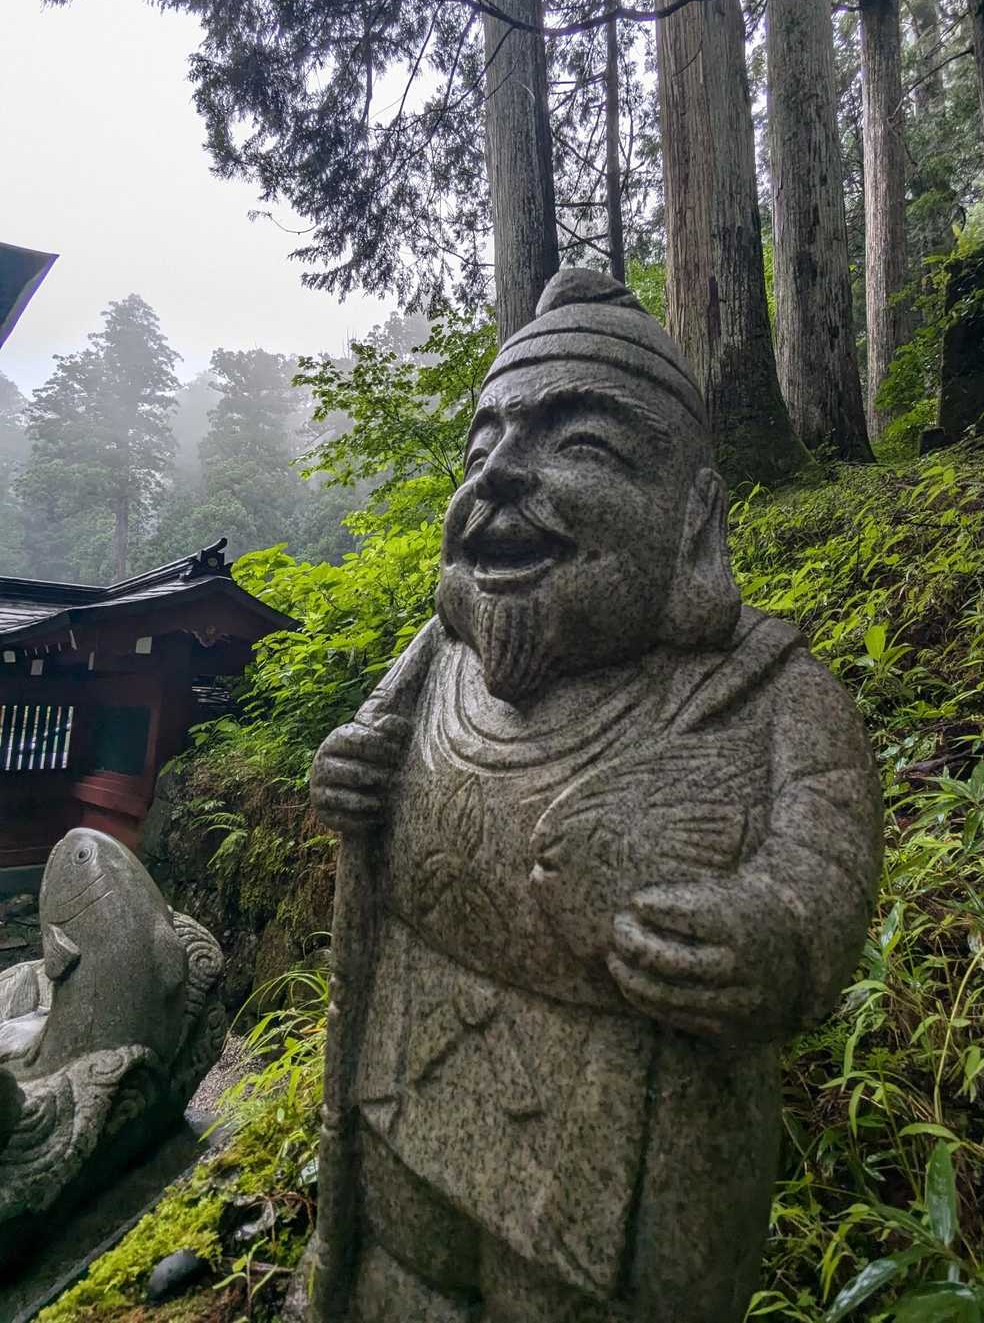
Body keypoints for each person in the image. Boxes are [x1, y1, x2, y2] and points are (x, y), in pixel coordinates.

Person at [309, 269, 882, 1322]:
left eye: (580, 446)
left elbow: (825, 870)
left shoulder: (771, 694)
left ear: (694, 517)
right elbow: (365, 754)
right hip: (406, 1073)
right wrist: (351, 776)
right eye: (481, 448)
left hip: (627, 1142)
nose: (498, 477)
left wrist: (772, 936)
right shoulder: (439, 656)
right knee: (400, 1286)